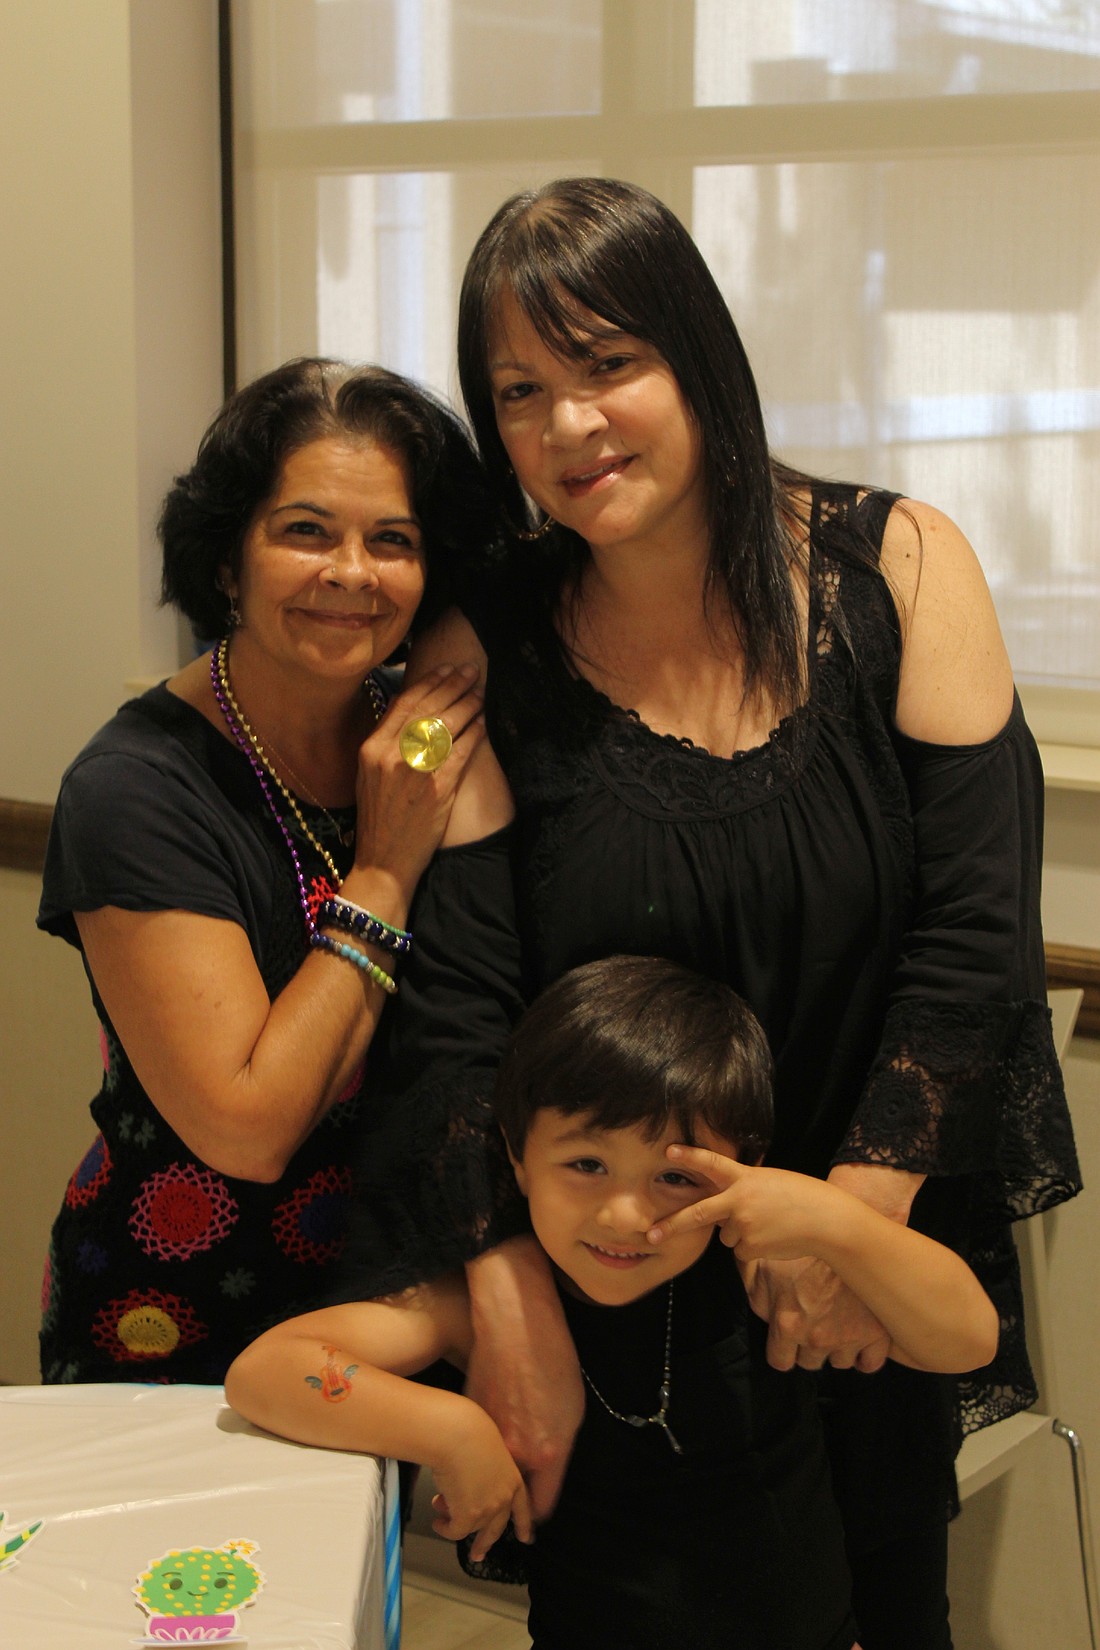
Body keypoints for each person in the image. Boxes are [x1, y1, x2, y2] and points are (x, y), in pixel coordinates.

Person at [341, 178, 1082, 1650]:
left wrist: (847, 1228)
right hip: (623, 1286)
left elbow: (974, 936)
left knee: (887, 1609)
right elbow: (461, 1007)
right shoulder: (485, 641)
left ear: (697, 357)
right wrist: (510, 1293)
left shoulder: (898, 569)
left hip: (860, 1266)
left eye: (607, 363)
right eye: (519, 392)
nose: (568, 425)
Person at [227, 956, 998, 1650]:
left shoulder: (758, 1269)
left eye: (675, 1177)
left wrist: (839, 1224)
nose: (625, 1216)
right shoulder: (490, 1308)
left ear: (744, 1171)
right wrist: (453, 1431)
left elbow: (967, 1339)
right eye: (587, 1165)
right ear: (517, 1157)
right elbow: (266, 1371)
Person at [35, 357, 491, 1384]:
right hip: (176, 1313)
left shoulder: (412, 736)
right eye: (306, 531)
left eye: (393, 541)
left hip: (389, 1301)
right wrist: (382, 874)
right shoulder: (134, 788)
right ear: (227, 561)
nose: (352, 573)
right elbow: (247, 1130)